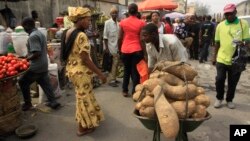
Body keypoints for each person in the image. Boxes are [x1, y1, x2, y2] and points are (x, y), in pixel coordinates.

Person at [61, 7, 107, 136]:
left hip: (72, 71)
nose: (89, 23)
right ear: (80, 20)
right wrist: (100, 74)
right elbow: (86, 59)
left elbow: (66, 54)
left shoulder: (67, 31)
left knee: (83, 97)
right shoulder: (81, 35)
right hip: (81, 73)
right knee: (83, 100)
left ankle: (90, 121)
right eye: (87, 20)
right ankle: (82, 128)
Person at [18, 17, 61, 111]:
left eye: (24, 26)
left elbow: (36, 53)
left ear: (27, 25)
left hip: (36, 66)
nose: (24, 29)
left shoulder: (33, 36)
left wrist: (25, 59)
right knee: (44, 82)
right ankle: (53, 102)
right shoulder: (40, 33)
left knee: (22, 82)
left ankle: (28, 104)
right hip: (43, 64)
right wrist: (27, 55)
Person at [213, 4, 250, 109]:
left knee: (233, 82)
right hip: (222, 57)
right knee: (219, 79)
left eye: (230, 13)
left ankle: (229, 99)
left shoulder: (244, 24)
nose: (228, 16)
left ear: (235, 12)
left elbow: (247, 41)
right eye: (226, 14)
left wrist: (242, 43)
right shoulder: (220, 25)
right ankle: (219, 98)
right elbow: (217, 42)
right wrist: (214, 57)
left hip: (236, 59)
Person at [118, 3, 145, 97]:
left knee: (126, 70)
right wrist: (144, 52)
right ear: (137, 11)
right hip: (137, 49)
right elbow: (141, 39)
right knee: (135, 72)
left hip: (125, 49)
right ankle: (135, 91)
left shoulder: (122, 22)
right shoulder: (141, 22)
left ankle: (125, 90)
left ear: (128, 11)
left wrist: (119, 49)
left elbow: (119, 38)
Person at [103, 7, 120, 87]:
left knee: (116, 64)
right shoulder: (107, 23)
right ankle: (111, 80)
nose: (114, 14)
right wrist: (106, 48)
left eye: (116, 13)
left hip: (117, 47)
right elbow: (105, 37)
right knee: (112, 64)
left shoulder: (118, 23)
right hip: (110, 47)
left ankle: (114, 78)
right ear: (110, 14)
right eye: (113, 13)